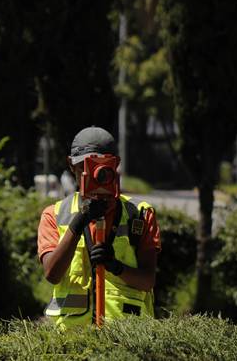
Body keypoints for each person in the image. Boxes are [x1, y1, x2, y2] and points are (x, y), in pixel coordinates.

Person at [37, 126, 161, 329]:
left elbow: (147, 281)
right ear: (71, 165)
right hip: (72, 339)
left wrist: (116, 266)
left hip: (126, 337)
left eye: (100, 168)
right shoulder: (54, 214)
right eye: (83, 167)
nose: (91, 175)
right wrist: (79, 222)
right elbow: (52, 273)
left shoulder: (140, 214)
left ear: (116, 164)